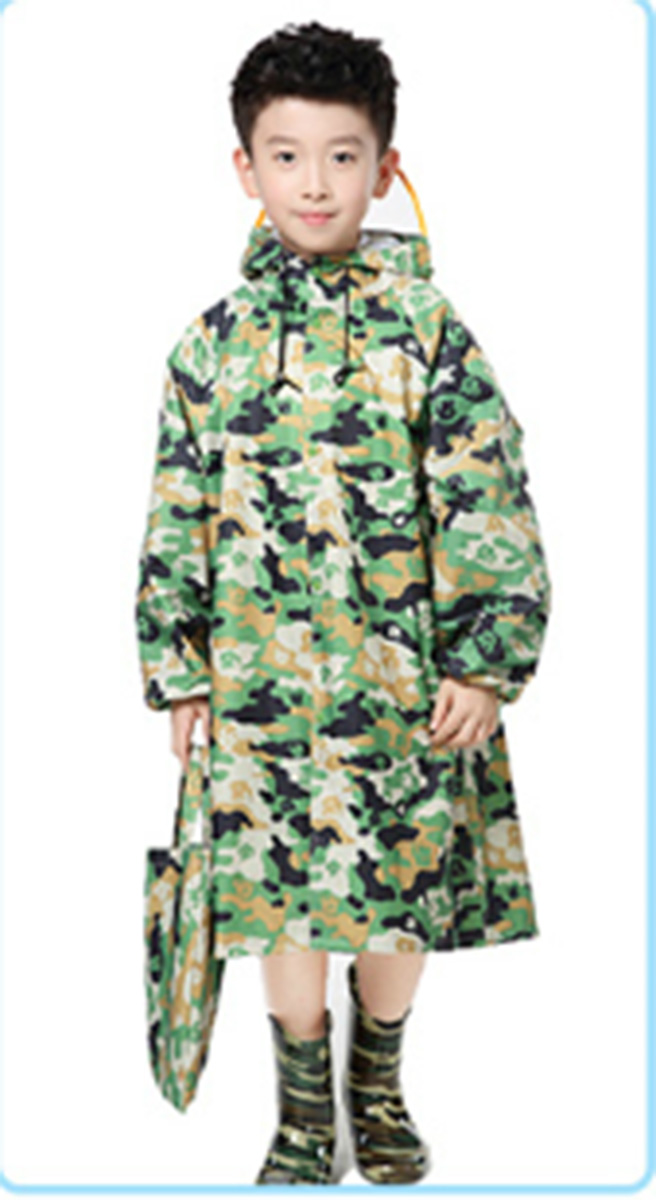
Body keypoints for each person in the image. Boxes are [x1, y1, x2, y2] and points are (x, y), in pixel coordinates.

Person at [135, 20, 552, 1186]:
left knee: (393, 891)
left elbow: (484, 492)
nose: (312, 182)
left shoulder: (428, 334)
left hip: (398, 681)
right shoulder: (208, 350)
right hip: (256, 681)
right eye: (285, 155)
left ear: (384, 167)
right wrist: (178, 669)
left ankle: (377, 1079)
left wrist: (483, 659)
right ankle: (302, 1109)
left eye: (339, 155)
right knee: (277, 899)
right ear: (245, 168)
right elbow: (176, 509)